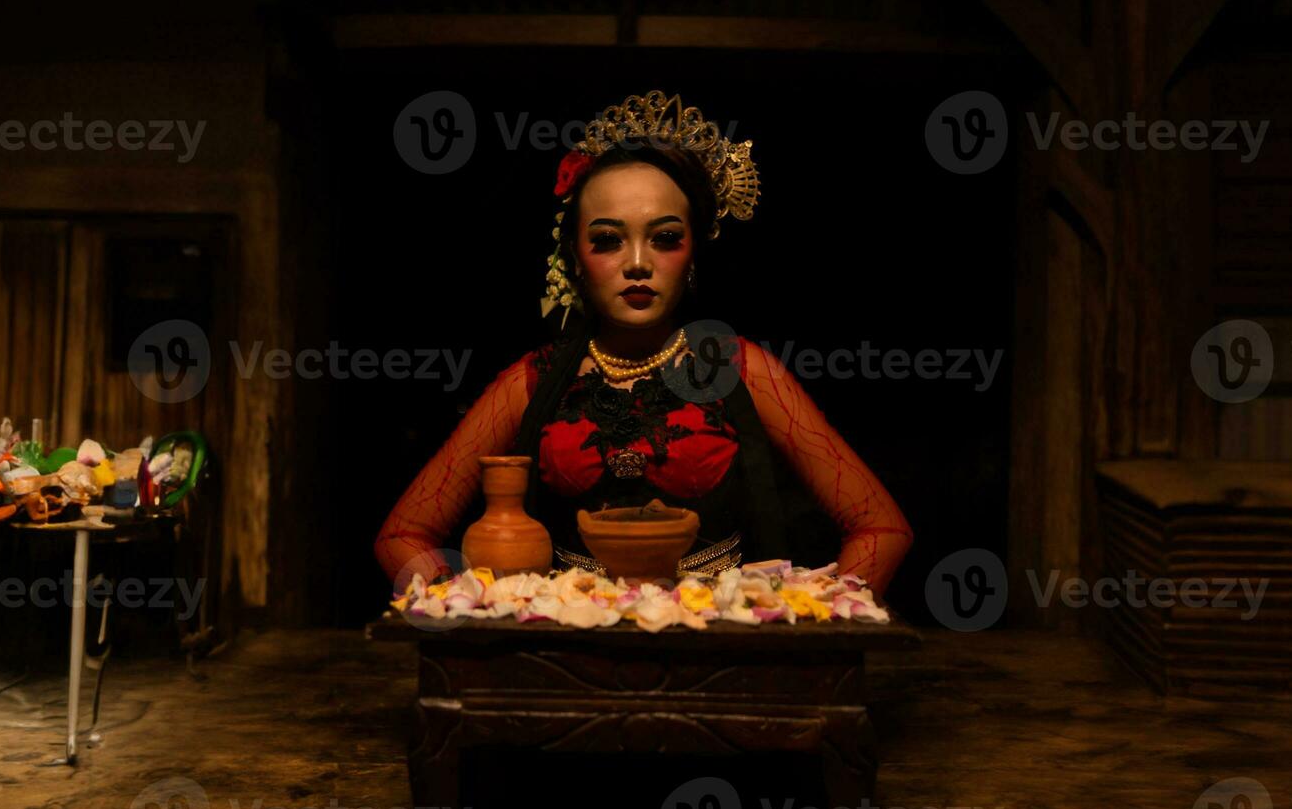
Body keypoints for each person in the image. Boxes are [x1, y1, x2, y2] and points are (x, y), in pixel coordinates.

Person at [374, 91, 912, 594]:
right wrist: (465, 613)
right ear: (575, 261)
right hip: (566, 661)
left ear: (694, 255)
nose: (637, 263)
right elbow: (403, 536)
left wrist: (815, 620)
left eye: (665, 238)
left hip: (717, 658)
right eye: (608, 240)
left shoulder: (744, 370)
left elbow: (881, 529)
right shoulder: (531, 381)